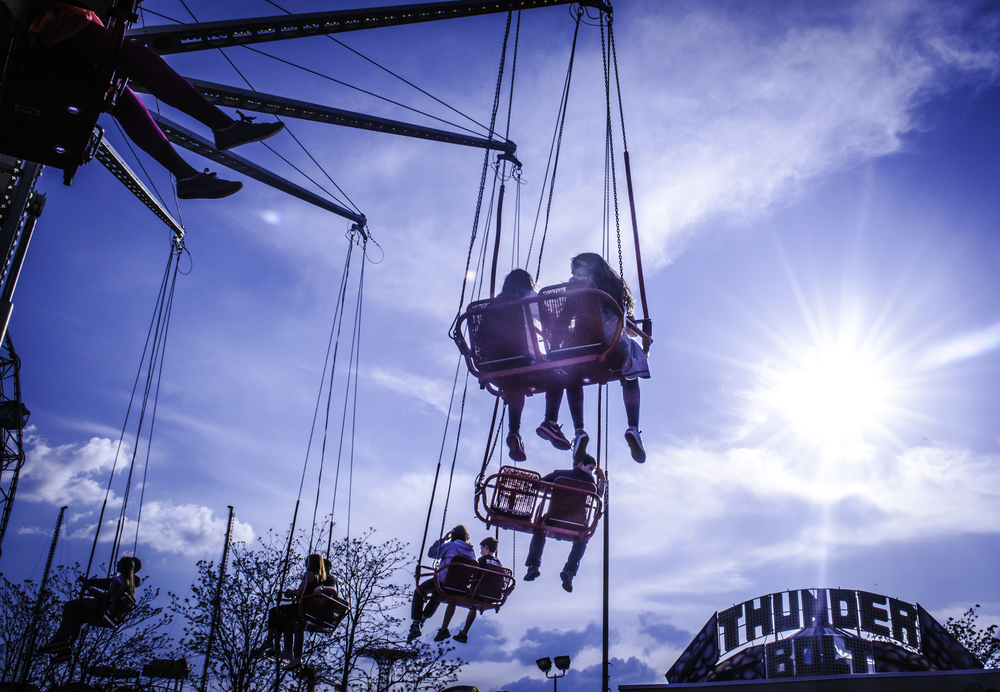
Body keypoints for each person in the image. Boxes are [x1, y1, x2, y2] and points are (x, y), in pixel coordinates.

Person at [2, 0, 283, 198]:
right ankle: (222, 127)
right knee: (135, 58)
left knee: (119, 94)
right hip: (47, 25)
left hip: (40, 33)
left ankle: (188, 175)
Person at [565, 252, 650, 463]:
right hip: (612, 343)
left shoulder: (575, 288)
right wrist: (643, 336)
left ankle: (579, 430)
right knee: (629, 373)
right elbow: (625, 323)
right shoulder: (614, 285)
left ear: (589, 267)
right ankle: (633, 427)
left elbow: (565, 318)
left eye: (577, 267)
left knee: (571, 375)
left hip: (581, 344)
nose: (574, 272)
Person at [491, 269, 573, 461]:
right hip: (523, 360)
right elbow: (550, 319)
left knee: (514, 385)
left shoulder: (494, 304)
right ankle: (550, 421)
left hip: (496, 367)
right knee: (560, 373)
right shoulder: (528, 297)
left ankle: (514, 432)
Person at [523, 454, 605, 593]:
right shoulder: (590, 482)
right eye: (590, 468)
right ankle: (569, 572)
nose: (590, 472)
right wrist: (602, 478)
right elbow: (599, 495)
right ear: (581, 464)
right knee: (582, 539)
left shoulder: (559, 474)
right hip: (577, 523)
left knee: (539, 527)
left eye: (592, 470)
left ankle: (533, 566)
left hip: (553, 518)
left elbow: (540, 484)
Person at [37, 556, 142, 662]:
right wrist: (90, 582)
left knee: (70, 606)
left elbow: (105, 596)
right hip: (109, 610)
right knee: (78, 617)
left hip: (102, 606)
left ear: (123, 566)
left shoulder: (119, 581)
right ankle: (67, 649)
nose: (117, 564)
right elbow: (105, 584)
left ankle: (60, 639)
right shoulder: (129, 584)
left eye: (119, 563)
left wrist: (89, 587)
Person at [257, 553, 325, 669]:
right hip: (309, 607)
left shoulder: (309, 574)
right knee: (287, 620)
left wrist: (290, 591)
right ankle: (278, 646)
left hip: (303, 607)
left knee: (274, 611)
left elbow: (299, 592)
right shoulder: (321, 578)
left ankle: (270, 640)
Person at [408, 524, 475, 642]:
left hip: (445, 581)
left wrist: (443, 540)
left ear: (453, 535)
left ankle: (416, 624)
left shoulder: (450, 546)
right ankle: (422, 619)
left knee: (420, 590)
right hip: (461, 586)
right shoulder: (471, 551)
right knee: (437, 595)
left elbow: (432, 553)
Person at [433, 536, 503, 643]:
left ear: (486, 547)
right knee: (474, 606)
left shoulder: (482, 560)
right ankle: (464, 632)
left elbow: (475, 575)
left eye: (482, 549)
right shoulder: (499, 563)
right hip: (492, 594)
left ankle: (444, 628)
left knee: (454, 596)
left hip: (479, 592)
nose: (480, 552)